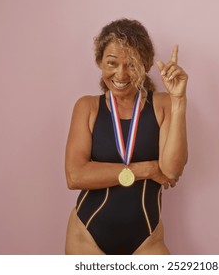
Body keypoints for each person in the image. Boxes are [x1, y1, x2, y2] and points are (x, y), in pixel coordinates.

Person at [64, 18, 188, 255]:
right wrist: (146, 170)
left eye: (131, 64)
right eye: (112, 63)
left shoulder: (162, 105)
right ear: (100, 62)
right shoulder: (87, 107)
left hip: (146, 240)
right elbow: (75, 175)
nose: (121, 74)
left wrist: (179, 100)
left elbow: (172, 170)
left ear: (145, 64)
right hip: (87, 236)